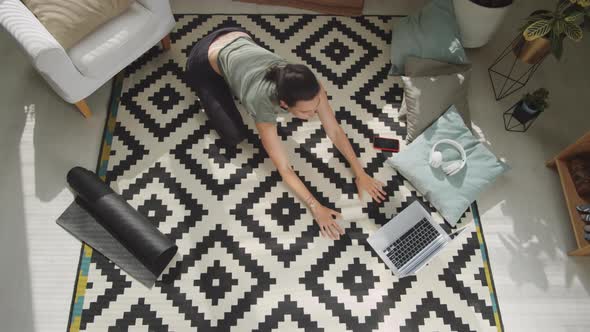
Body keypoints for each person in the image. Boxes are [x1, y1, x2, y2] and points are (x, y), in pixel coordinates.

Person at [186, 27, 387, 240]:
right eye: (304, 111)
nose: (312, 115)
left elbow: (335, 131)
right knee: (234, 135)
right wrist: (315, 206)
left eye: (315, 106)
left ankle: (232, 75)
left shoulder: (311, 86)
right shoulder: (261, 102)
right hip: (203, 59)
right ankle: (214, 87)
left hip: (238, 34)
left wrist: (360, 173)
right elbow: (284, 167)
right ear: (283, 104)